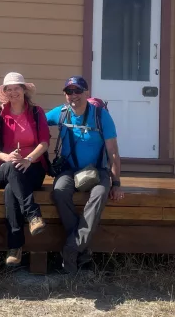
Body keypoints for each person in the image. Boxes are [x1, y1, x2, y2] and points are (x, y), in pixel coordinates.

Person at [46, 76, 125, 274]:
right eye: (69, 91)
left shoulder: (101, 116)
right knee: (59, 191)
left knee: (99, 195)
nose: (73, 95)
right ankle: (81, 250)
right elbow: (34, 121)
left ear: (87, 93)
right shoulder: (61, 113)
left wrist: (116, 182)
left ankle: (71, 249)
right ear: (65, 95)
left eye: (78, 91)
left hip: (97, 171)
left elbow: (113, 151)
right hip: (69, 170)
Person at [0, 72, 50, 268]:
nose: (13, 92)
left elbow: (45, 142)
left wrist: (29, 159)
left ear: (24, 90)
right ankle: (33, 215)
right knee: (12, 169)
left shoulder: (37, 112)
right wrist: (6, 157)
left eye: (17, 88)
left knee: (10, 191)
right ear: (4, 92)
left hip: (33, 167)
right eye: (9, 89)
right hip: (6, 166)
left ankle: (15, 247)